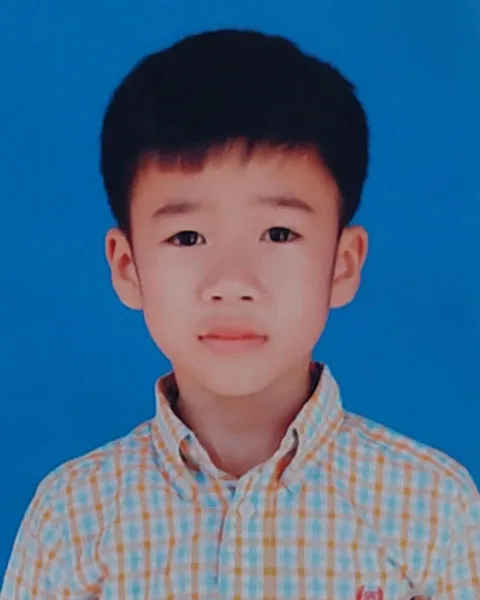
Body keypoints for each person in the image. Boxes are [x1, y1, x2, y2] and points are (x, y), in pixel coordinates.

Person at [1, 29, 479, 600]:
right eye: (187, 236)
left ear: (343, 264)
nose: (232, 282)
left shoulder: (432, 507)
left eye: (278, 233)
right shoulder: (72, 517)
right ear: (128, 266)